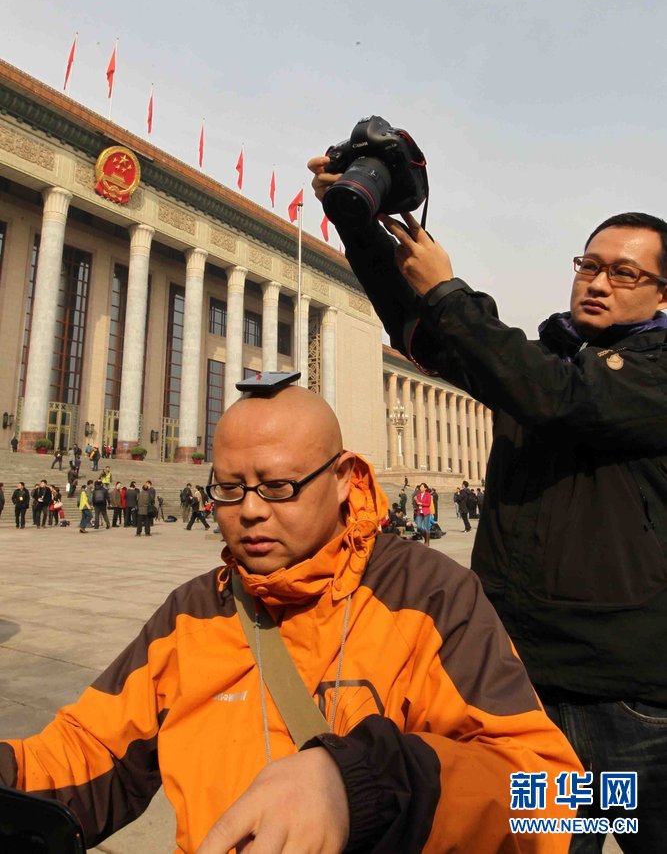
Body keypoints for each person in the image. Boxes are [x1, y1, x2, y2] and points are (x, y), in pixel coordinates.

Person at [0, 385, 581, 853]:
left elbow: (556, 796)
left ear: (344, 478)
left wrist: (366, 786)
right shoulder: (192, 614)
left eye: (278, 487)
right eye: (230, 489)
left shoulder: (428, 596)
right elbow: (88, 751)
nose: (250, 510)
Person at [310, 161, 667, 854]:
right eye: (587, 265)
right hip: (532, 697)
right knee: (549, 845)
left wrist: (448, 287)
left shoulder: (648, 375)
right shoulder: (535, 365)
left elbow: (558, 396)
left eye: (623, 273)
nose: (596, 282)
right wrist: (360, 227)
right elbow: (427, 333)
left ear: (661, 293)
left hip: (635, 709)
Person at [414, 482, 432, 546]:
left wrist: (421, 504)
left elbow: (428, 504)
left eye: (422, 487)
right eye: (420, 487)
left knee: (426, 527)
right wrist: (416, 500)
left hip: (426, 512)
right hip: (419, 511)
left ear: (425, 488)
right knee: (419, 527)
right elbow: (417, 504)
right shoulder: (418, 495)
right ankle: (426, 539)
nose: (420, 488)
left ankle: (427, 542)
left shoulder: (428, 495)